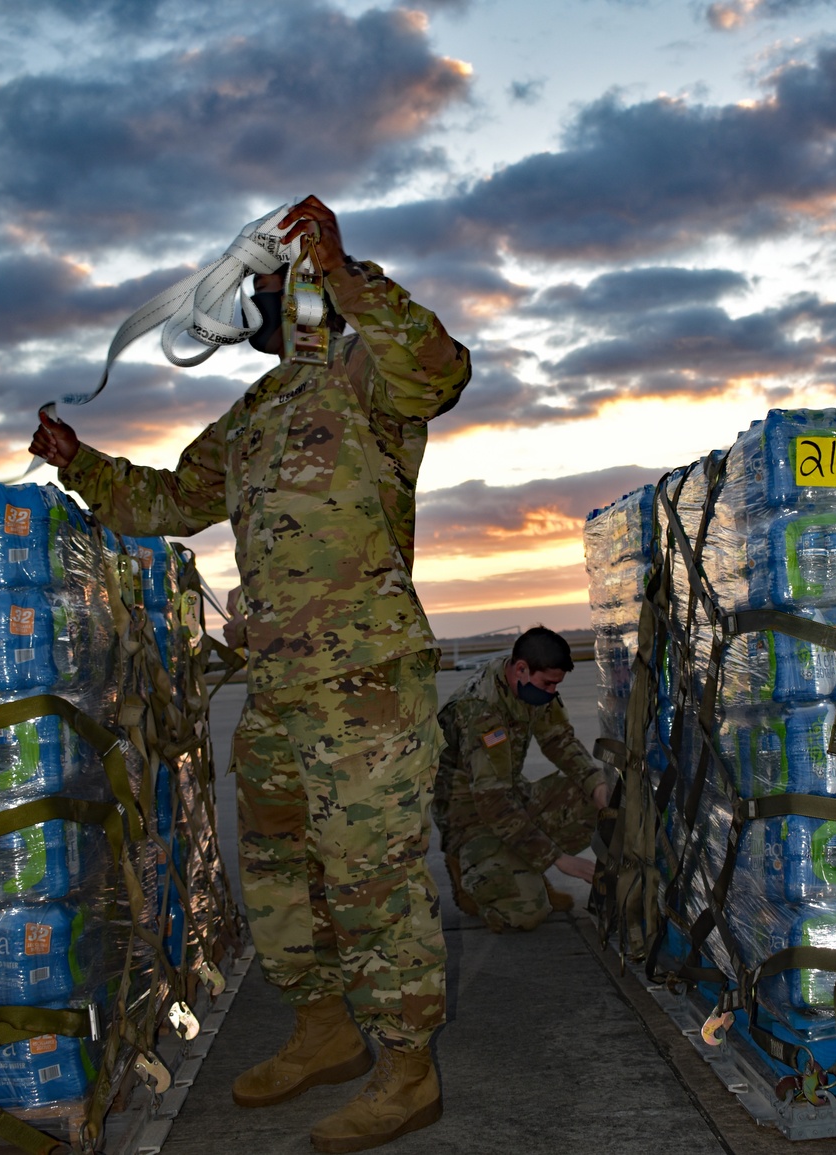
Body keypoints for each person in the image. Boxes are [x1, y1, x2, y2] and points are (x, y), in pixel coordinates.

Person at [30, 195, 471, 1154]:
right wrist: (81, 466)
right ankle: (321, 1030)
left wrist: (345, 269)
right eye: (261, 282)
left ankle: (407, 1069)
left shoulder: (366, 375)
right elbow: (168, 501)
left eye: (280, 279)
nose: (267, 292)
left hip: (366, 682)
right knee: (273, 866)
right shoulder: (252, 415)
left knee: (373, 881)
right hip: (277, 689)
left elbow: (441, 368)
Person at [433, 626, 609, 933]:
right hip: (471, 818)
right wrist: (556, 858)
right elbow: (491, 802)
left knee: (602, 801)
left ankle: (522, 868)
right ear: (521, 669)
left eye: (557, 685)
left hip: (510, 797)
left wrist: (597, 784)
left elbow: (559, 741)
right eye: (548, 683)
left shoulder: (531, 685)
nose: (552, 691)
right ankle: (468, 870)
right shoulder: (479, 711)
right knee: (525, 913)